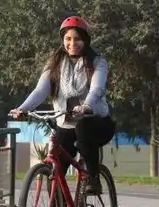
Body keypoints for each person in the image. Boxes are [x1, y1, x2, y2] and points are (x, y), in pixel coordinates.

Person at [9, 16, 116, 195]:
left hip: (97, 122)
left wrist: (86, 106)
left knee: (83, 127)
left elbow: (97, 88)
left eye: (77, 39)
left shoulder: (98, 62)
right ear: (62, 40)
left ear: (86, 40)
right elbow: (40, 91)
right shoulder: (56, 63)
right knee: (57, 167)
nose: (72, 43)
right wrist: (23, 109)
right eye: (68, 39)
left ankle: (93, 178)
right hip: (66, 124)